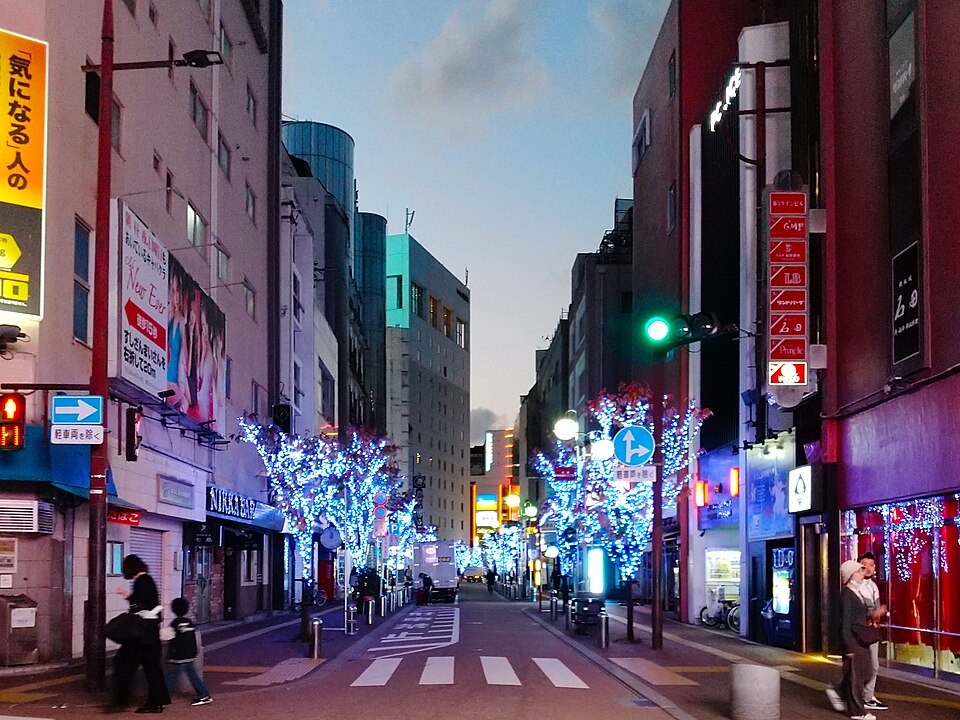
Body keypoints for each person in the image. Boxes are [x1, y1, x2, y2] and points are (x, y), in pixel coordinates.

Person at [110, 554, 171, 714]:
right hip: (151, 634)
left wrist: (129, 599)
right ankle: (156, 702)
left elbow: (140, 605)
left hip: (140, 636)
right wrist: (130, 597)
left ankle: (121, 701)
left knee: (122, 664)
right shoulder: (148, 580)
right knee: (152, 669)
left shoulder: (141, 581)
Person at [826, 559, 877, 720]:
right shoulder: (847, 594)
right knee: (857, 676)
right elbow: (845, 623)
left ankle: (838, 691)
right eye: (859, 570)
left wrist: (874, 614)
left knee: (865, 671)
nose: (863, 573)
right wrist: (848, 647)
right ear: (850, 575)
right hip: (853, 640)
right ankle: (858, 712)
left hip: (859, 639)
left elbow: (857, 616)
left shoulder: (855, 592)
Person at [165, 598, 212, 706]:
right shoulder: (190, 623)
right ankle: (204, 694)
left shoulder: (175, 623)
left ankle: (162, 696)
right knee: (192, 675)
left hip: (178, 656)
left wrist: (170, 656)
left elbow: (170, 638)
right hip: (190, 655)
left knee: (171, 676)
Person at [855, 552, 887, 712]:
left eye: (872, 565)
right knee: (867, 666)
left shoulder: (873, 585)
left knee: (873, 666)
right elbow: (860, 612)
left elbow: (875, 609)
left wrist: (877, 617)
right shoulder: (855, 586)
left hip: (871, 632)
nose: (868, 568)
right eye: (864, 564)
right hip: (861, 633)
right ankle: (861, 696)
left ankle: (868, 696)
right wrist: (875, 613)